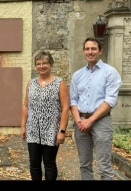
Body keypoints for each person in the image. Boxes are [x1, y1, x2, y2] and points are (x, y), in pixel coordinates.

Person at [70, 37, 122, 180]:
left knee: (104, 165)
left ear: (100, 51)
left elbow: (110, 100)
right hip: (80, 123)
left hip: (101, 122)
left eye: (93, 49)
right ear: (83, 52)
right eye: (87, 49)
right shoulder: (78, 75)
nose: (90, 52)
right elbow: (73, 100)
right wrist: (78, 120)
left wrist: (90, 120)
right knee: (84, 164)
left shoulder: (110, 72)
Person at [20, 50, 70, 180]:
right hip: (33, 130)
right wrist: (23, 126)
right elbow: (25, 106)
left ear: (51, 64)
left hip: (51, 130)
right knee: (34, 164)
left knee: (49, 163)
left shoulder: (59, 83)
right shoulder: (30, 84)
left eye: (45, 63)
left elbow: (65, 108)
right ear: (35, 66)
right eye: (38, 63)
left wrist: (62, 131)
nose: (41, 66)